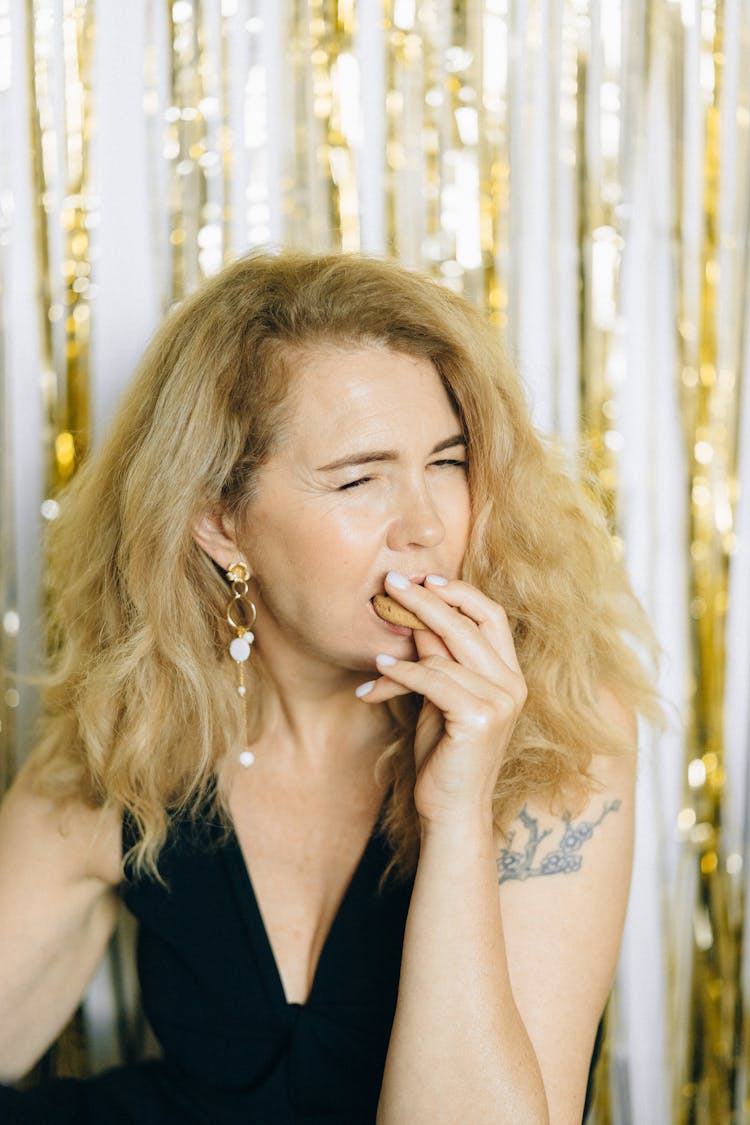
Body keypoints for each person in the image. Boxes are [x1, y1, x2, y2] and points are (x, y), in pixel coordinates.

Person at [0, 251, 658, 1124]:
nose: (425, 526)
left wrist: (456, 812)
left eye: (448, 462)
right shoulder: (139, 730)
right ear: (219, 520)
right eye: (360, 478)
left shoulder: (565, 724)